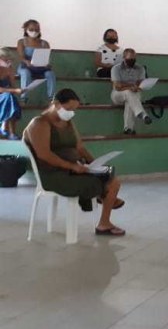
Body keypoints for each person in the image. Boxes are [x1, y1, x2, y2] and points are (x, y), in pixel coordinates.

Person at [23, 89, 126, 236]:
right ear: (56, 104)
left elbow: (80, 148)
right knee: (104, 184)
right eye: (69, 108)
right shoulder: (39, 123)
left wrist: (95, 164)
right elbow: (44, 154)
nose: (71, 113)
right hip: (53, 175)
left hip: (73, 168)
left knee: (111, 178)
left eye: (74, 110)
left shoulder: (67, 122)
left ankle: (104, 223)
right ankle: (103, 195)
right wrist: (71, 166)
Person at [110, 49, 152, 135]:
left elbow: (140, 84)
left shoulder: (140, 69)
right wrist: (131, 86)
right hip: (117, 95)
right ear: (124, 57)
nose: (132, 61)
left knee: (130, 99)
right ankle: (142, 114)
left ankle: (128, 128)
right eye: (130, 59)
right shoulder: (116, 68)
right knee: (129, 93)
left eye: (134, 59)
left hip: (133, 94)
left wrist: (137, 88)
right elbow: (117, 86)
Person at [16, 19, 56, 101]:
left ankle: (51, 98)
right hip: (26, 66)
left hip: (41, 68)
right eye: (31, 29)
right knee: (25, 73)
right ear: (26, 29)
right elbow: (21, 56)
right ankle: (24, 98)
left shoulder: (44, 43)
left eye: (37, 30)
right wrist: (27, 62)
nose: (34, 32)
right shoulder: (21, 42)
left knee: (50, 74)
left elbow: (47, 57)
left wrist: (47, 63)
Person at [0, 48, 23, 140]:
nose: (8, 61)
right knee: (9, 97)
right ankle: (7, 129)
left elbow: (12, 86)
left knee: (11, 99)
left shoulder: (10, 69)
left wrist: (20, 90)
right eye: (6, 59)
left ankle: (8, 130)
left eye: (9, 59)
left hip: (7, 96)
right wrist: (15, 91)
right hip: (3, 95)